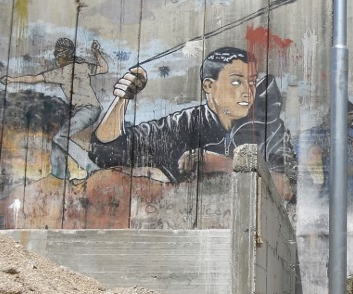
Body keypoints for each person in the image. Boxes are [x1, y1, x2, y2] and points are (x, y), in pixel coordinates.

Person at [88, 46, 296, 199]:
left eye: (251, 82)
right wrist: (122, 98)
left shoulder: (269, 127)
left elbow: (287, 188)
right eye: (236, 81)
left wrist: (222, 164)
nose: (247, 91)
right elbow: (106, 151)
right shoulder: (183, 125)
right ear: (208, 85)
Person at [1, 38, 109, 180]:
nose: (57, 58)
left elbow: (34, 78)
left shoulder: (66, 71)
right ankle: (60, 175)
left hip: (89, 109)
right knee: (57, 141)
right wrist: (96, 53)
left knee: (61, 137)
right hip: (86, 111)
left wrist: (13, 80)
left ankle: (92, 168)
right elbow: (104, 68)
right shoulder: (75, 68)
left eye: (59, 54)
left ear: (65, 55)